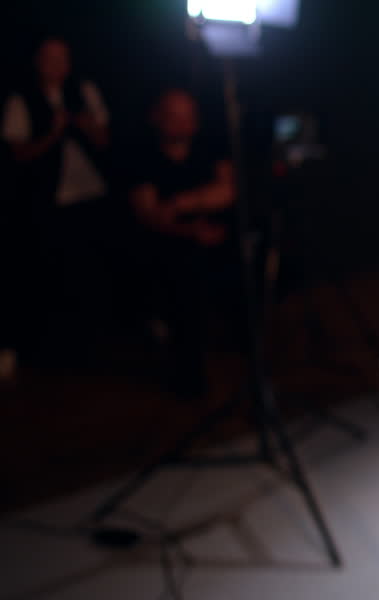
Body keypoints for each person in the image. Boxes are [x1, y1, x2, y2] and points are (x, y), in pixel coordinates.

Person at [1, 36, 112, 367]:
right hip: (43, 200)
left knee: (85, 273)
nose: (58, 65)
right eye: (50, 58)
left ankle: (82, 347)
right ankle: (33, 349)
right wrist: (53, 131)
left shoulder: (84, 93)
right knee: (38, 271)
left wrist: (87, 126)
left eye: (63, 57)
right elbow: (19, 153)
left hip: (88, 194)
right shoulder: (21, 99)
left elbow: (104, 141)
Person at [125, 88, 234, 397]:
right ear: (157, 118)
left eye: (188, 117)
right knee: (183, 279)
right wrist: (190, 229)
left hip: (216, 238)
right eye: (174, 117)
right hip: (169, 246)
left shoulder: (208, 149)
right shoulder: (142, 157)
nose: (182, 125)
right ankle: (190, 376)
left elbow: (227, 191)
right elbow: (148, 215)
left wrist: (180, 204)